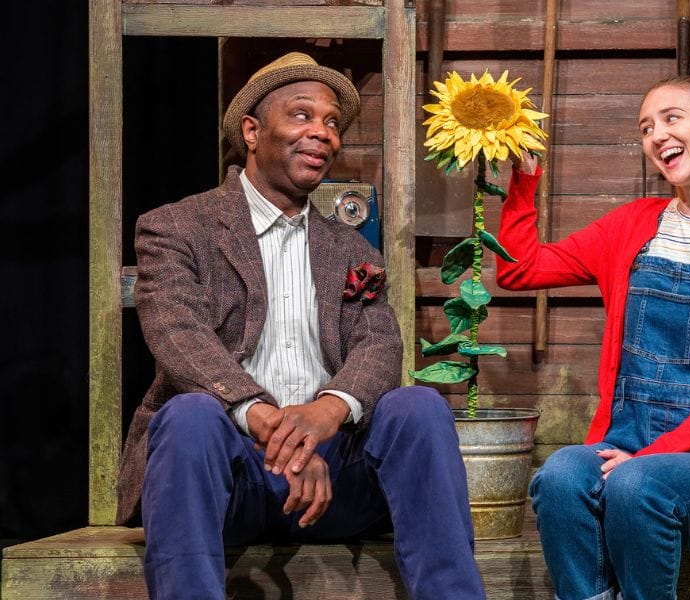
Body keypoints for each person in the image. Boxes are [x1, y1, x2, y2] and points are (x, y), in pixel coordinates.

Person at [115, 52, 486, 600]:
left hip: (335, 483)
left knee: (419, 405)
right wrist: (268, 423)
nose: (321, 133)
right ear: (251, 131)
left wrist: (324, 415)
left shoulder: (351, 247)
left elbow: (380, 344)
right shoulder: (176, 227)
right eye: (301, 116)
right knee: (189, 414)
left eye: (332, 122)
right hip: (228, 476)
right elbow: (177, 334)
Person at [495, 76, 690, 600]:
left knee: (639, 487)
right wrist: (524, 180)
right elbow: (519, 270)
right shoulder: (634, 225)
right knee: (562, 475)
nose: (657, 134)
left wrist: (648, 458)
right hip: (624, 450)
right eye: (645, 127)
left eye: (671, 117)